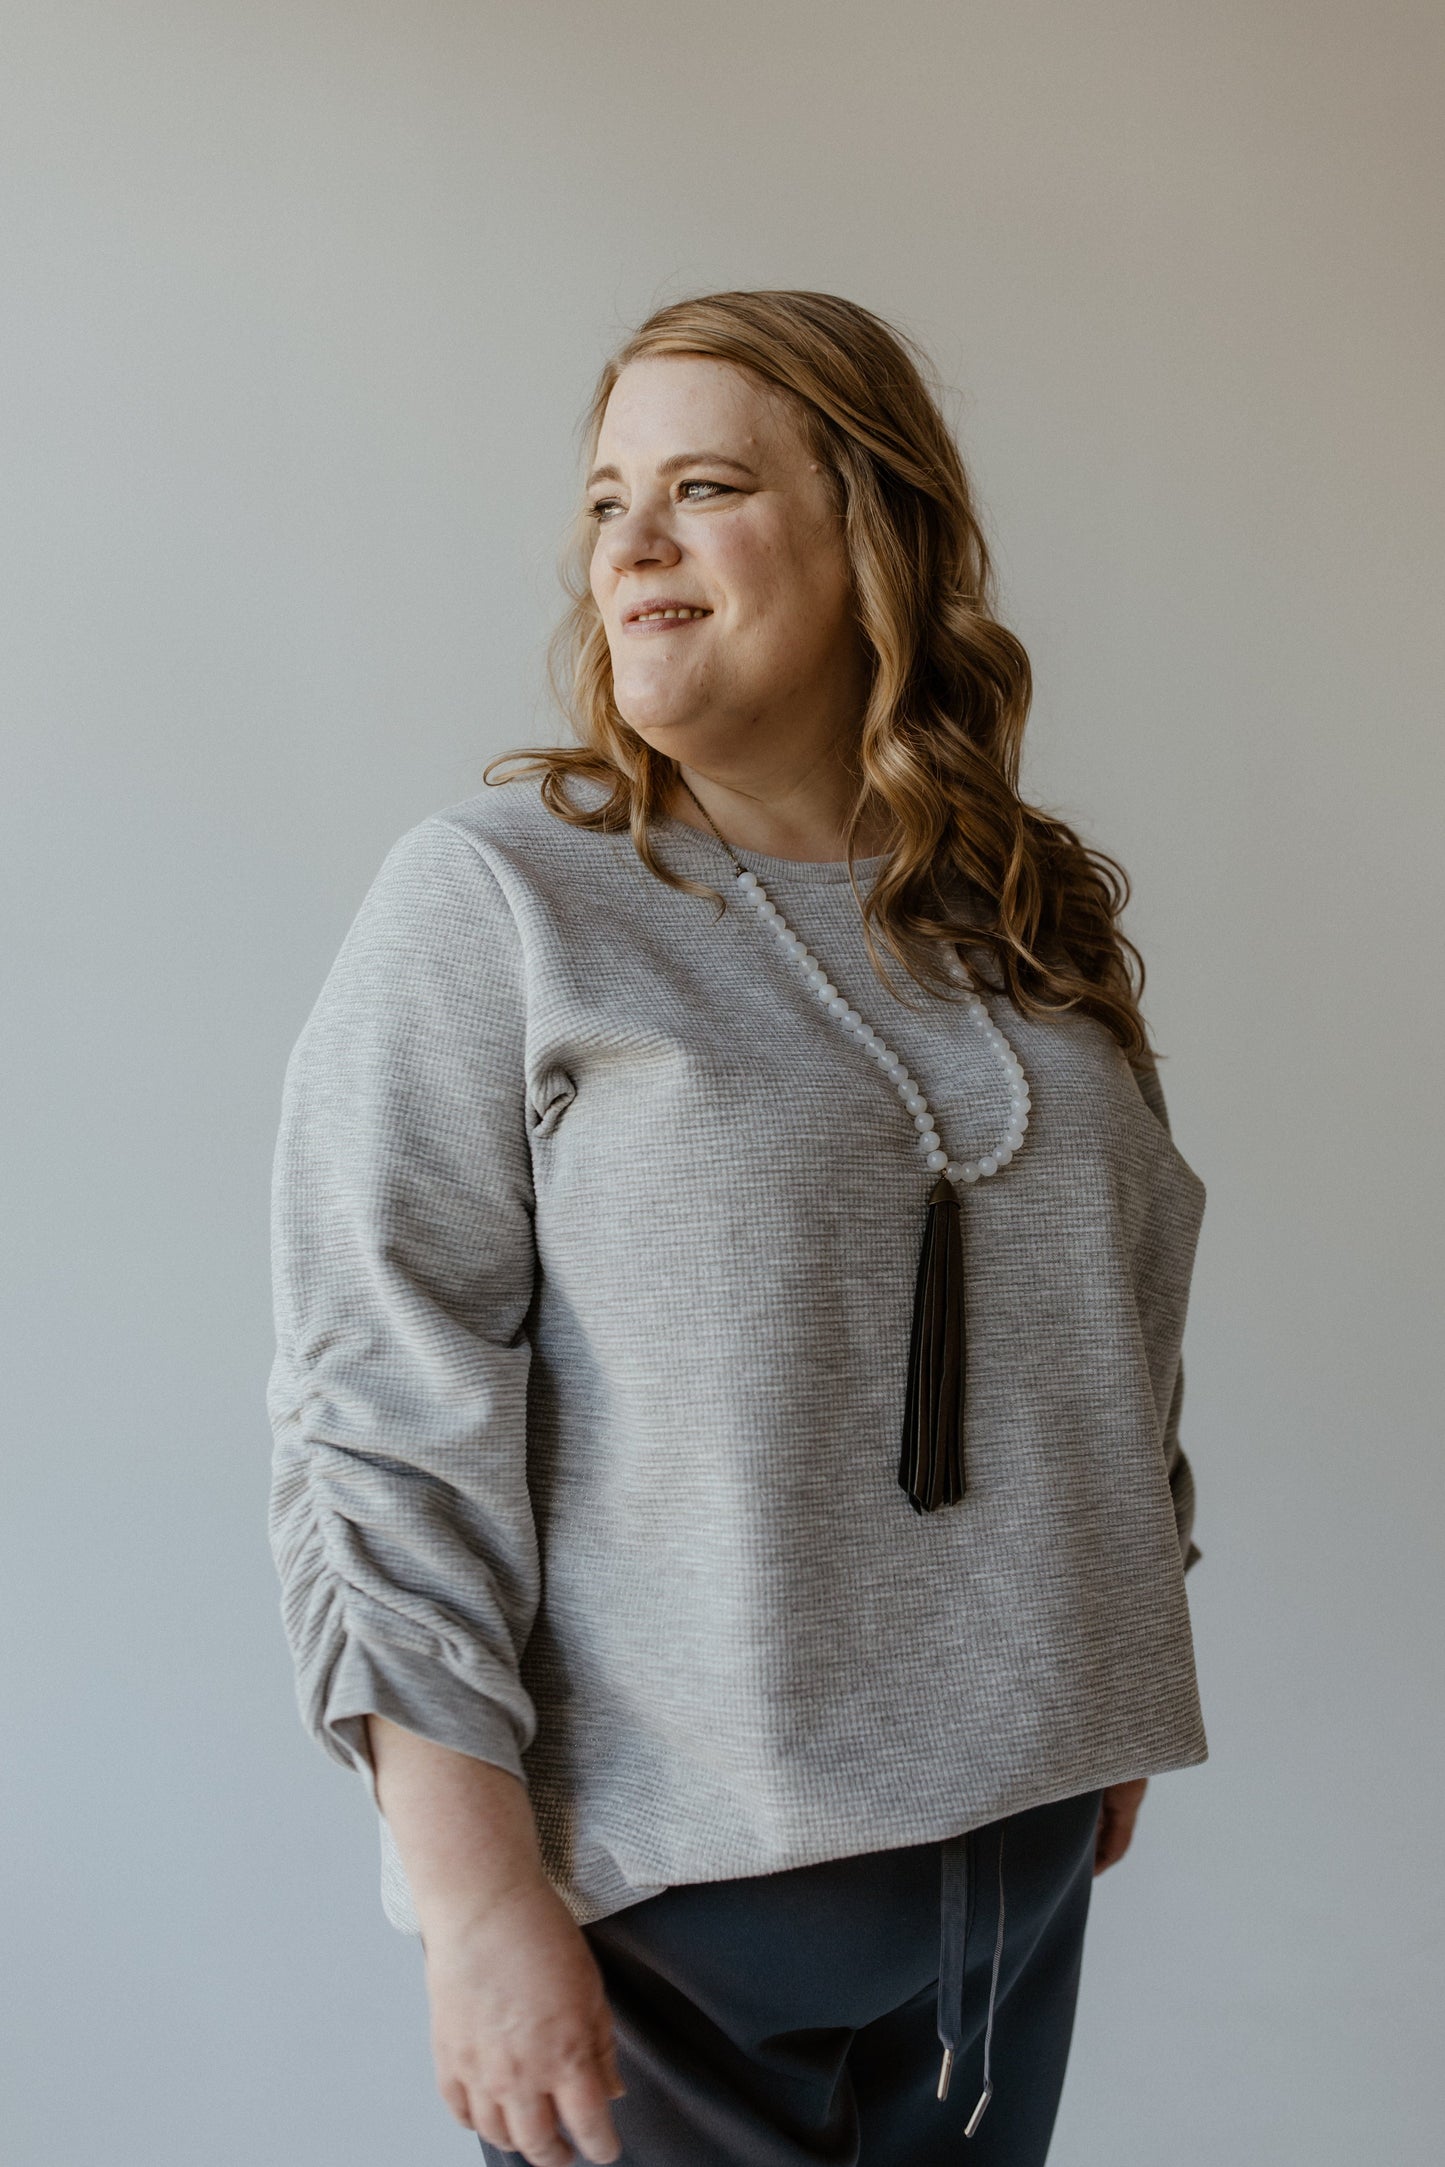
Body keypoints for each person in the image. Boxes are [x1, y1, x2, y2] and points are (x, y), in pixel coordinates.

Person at [266, 288, 1208, 2167]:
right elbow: (380, 1421)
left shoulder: (1023, 921)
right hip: (676, 1925)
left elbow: (1125, 1313)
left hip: (1011, 1877)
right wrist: (468, 1905)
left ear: (875, 537)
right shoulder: (500, 903)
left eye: (702, 487)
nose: (628, 544)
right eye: (607, 498)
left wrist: (1113, 1632)